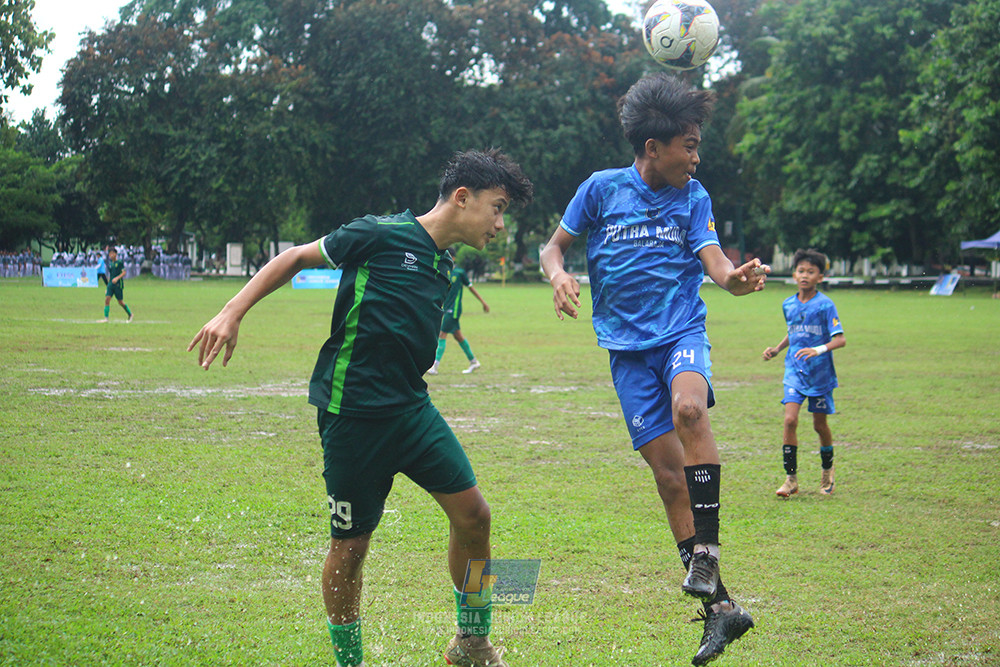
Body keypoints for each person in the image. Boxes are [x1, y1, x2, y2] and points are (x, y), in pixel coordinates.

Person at [188, 149, 533, 667]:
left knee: (475, 517)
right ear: (463, 198)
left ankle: (472, 642)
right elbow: (297, 258)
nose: (501, 225)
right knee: (350, 549)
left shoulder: (444, 261)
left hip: (412, 411)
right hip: (352, 415)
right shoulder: (381, 233)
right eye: (498, 208)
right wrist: (231, 311)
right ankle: (350, 662)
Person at [540, 73, 763, 666]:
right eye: (688, 146)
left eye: (697, 145)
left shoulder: (695, 198)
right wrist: (559, 274)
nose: (696, 156)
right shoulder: (600, 189)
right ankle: (721, 611)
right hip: (626, 351)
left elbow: (715, 263)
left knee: (689, 409)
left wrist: (733, 281)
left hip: (680, 334)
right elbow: (552, 246)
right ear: (652, 149)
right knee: (668, 479)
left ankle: (706, 552)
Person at [762, 248, 845, 498]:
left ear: (820, 277)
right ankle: (791, 479)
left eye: (811, 271)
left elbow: (839, 340)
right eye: (801, 271)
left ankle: (827, 472)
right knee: (790, 420)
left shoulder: (825, 305)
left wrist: (818, 350)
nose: (805, 275)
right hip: (794, 371)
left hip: (820, 374)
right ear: (794, 274)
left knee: (820, 426)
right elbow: (795, 331)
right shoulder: (788, 304)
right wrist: (777, 348)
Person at [427, 250, 490, 375]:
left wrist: (483, 302)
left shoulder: (460, 273)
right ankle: (473, 361)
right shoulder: (444, 271)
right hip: (446, 308)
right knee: (458, 336)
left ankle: (435, 366)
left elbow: (471, 288)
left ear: (453, 258)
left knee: (442, 334)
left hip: (454, 309)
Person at [103, 248, 133, 322]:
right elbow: (111, 276)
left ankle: (130, 314)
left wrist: (117, 278)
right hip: (111, 284)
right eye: (110, 254)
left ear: (116, 254)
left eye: (112, 253)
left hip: (118, 285)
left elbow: (124, 272)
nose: (111, 255)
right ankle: (106, 318)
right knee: (107, 299)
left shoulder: (119, 262)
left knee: (120, 302)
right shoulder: (110, 264)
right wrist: (108, 286)